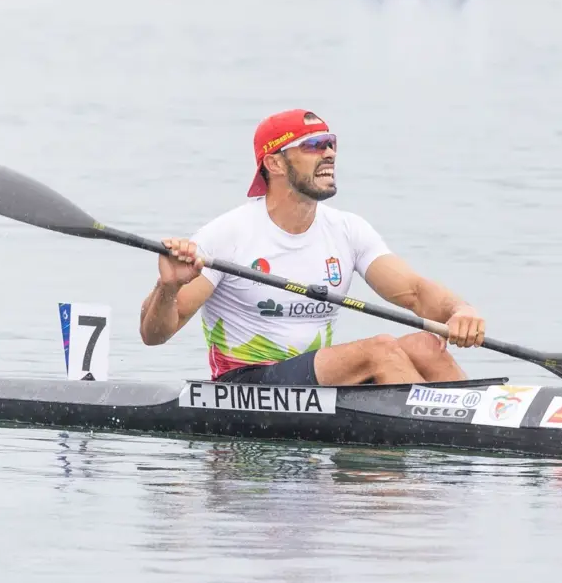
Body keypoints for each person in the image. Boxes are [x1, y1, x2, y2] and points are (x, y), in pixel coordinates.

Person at [139, 109, 487, 386]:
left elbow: (414, 292)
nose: (329, 153)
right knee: (381, 349)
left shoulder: (347, 230)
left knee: (426, 345)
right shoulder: (227, 235)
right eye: (313, 145)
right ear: (274, 163)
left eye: (330, 143)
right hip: (245, 385)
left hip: (313, 382)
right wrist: (168, 286)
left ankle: (485, 428)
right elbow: (154, 335)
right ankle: (438, 443)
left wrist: (459, 311)